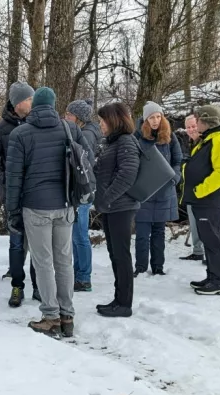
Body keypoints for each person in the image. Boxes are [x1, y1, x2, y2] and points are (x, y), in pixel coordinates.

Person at [8, 87, 91, 337]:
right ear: (54, 105)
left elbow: (14, 178)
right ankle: (67, 316)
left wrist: (12, 212)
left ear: (34, 106)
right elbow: (87, 160)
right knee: (64, 261)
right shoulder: (70, 128)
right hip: (65, 205)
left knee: (43, 263)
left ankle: (50, 317)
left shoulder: (20, 133)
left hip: (35, 207)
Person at [0, 82, 39, 306]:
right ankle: (17, 286)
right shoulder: (0, 130)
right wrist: (4, 178)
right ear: (18, 103)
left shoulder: (39, 124)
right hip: (12, 197)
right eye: (29, 99)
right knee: (16, 244)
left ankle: (39, 286)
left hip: (37, 195)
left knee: (39, 244)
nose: (32, 102)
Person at [94, 103, 140, 317]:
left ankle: (124, 304)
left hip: (121, 207)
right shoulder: (112, 143)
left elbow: (127, 175)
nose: (100, 125)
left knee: (121, 255)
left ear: (113, 120)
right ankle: (118, 299)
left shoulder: (125, 141)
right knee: (115, 254)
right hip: (111, 207)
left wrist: (106, 198)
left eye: (103, 121)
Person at [185, 105, 220, 295]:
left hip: (210, 200)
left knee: (213, 241)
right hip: (202, 201)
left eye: (197, 120)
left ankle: (219, 282)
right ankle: (212, 277)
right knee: (207, 239)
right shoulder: (207, 140)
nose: (195, 123)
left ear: (206, 120)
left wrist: (200, 190)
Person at [134, 102, 183, 276]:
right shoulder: (137, 137)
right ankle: (140, 267)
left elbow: (178, 160)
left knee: (159, 232)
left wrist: (175, 177)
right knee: (142, 234)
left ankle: (158, 267)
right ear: (145, 119)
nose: (155, 120)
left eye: (158, 116)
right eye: (151, 117)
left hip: (164, 191)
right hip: (145, 193)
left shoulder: (170, 136)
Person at [64, 98, 102, 292]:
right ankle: (79, 274)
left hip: (82, 190)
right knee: (77, 235)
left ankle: (84, 277)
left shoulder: (85, 134)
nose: (66, 117)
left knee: (79, 235)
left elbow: (84, 163)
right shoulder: (89, 131)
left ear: (78, 118)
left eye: (69, 114)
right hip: (83, 189)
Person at [179, 114, 206, 262]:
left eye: (193, 126)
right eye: (188, 127)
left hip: (204, 190)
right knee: (194, 221)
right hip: (190, 189)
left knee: (204, 222)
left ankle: (206, 252)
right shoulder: (188, 143)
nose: (191, 129)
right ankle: (197, 250)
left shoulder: (206, 143)